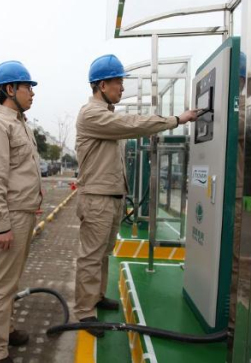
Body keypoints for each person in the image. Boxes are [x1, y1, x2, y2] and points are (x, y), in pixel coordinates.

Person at [74, 54, 198, 337]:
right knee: (91, 256)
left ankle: (96, 297)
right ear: (102, 85)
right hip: (96, 198)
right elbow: (133, 124)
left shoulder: (107, 115)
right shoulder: (92, 114)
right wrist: (176, 120)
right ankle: (84, 311)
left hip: (111, 197)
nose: (122, 88)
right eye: (119, 82)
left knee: (103, 253)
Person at [0, 60, 42, 363]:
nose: (32, 92)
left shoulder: (19, 124)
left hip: (23, 213)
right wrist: (1, 225)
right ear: (9, 89)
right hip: (9, 216)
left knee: (11, 281)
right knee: (1, 285)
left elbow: (20, 173)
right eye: (28, 86)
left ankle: (7, 329)